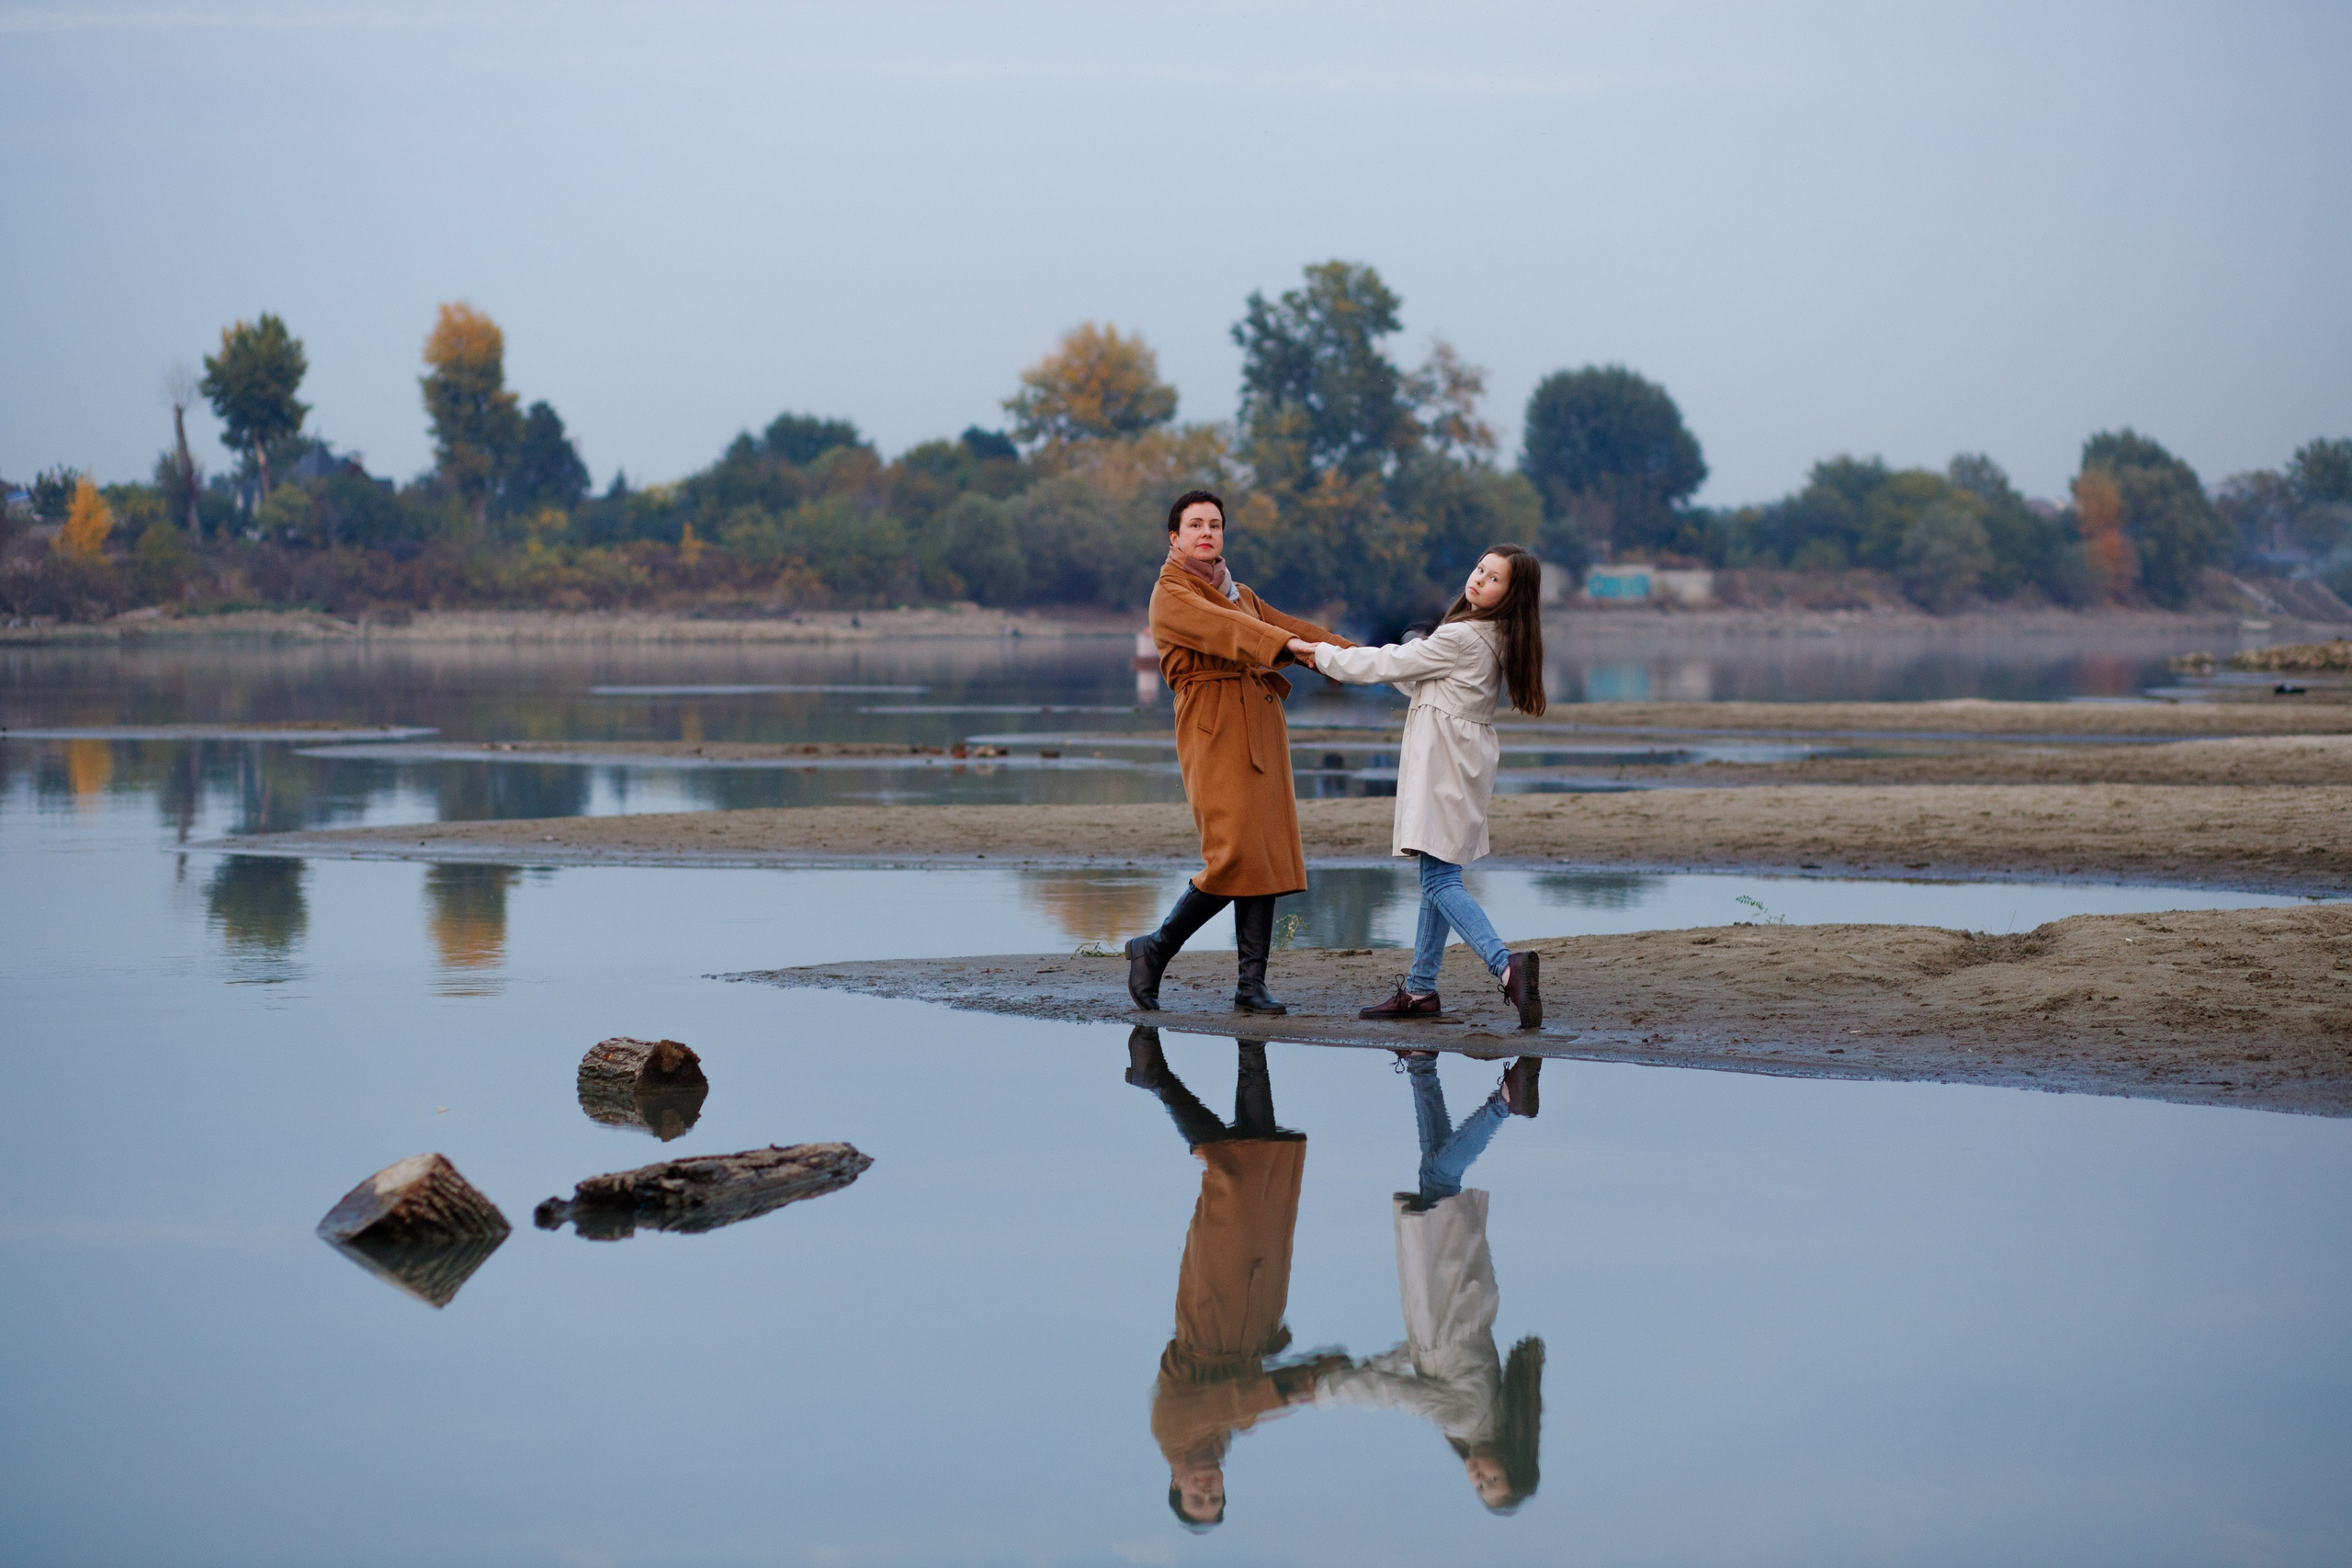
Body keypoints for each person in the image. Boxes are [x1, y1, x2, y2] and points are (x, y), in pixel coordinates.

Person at [1285, 544, 1547, 1028]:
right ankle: (1421, 990)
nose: (1478, 579)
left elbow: (1387, 667)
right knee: (1436, 872)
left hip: (1446, 763)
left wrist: (1321, 654)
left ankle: (1506, 966)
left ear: (1512, 595)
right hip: (1462, 759)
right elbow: (1419, 680)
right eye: (1479, 569)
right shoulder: (1494, 635)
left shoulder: (1466, 635)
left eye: (1494, 579)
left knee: (1438, 880)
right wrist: (1401, 649)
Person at [1126, 491, 1354, 1016]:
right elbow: (1235, 631)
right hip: (1213, 725)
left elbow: (1294, 628)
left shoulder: (1239, 591)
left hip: (1260, 723)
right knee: (1232, 853)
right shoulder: (1172, 594)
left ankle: (1250, 986)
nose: (1207, 533)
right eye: (1195, 525)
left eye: (1215, 524)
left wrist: (1361, 656)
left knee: (1263, 852)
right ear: (1174, 537)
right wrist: (1287, 647)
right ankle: (1153, 950)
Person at [1125, 1026, 1340, 1530]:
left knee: (1233, 1180)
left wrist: (1286, 1392)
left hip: (1213, 1306)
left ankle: (1158, 1081)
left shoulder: (1171, 1430)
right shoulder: (1225, 1436)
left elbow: (1231, 1401)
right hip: (1258, 1304)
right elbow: (1244, 1405)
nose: (1208, 1488)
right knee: (1263, 1158)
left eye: (1198, 1497)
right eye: (1216, 1497)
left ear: (1176, 1484)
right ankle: (1252, 1047)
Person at [1313, 1050, 1545, 1514]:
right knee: (1441, 1175)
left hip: (1451, 1296)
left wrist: (1370, 1363)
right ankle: (1504, 1101)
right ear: (1508, 1457)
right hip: (1449, 1289)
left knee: (1432, 1173)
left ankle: (1421, 1066)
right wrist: (1327, 1391)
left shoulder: (1475, 1420)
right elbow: (1399, 1395)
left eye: (1480, 1488)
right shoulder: (1467, 1419)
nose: (1479, 1476)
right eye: (1493, 1478)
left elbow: (1414, 1364)